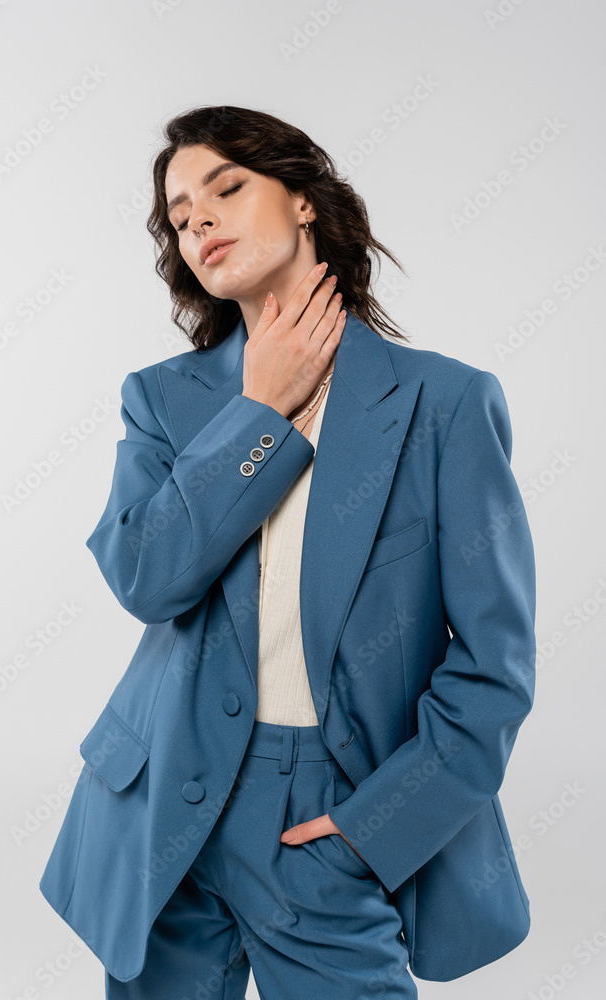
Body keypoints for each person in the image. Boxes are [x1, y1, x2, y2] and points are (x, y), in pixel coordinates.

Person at [39, 105, 537, 999]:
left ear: (303, 200)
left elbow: (494, 669)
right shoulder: (162, 399)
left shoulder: (444, 404)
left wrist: (371, 830)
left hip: (327, 811)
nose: (200, 221)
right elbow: (147, 578)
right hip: (160, 809)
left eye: (226, 188)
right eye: (180, 218)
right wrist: (258, 412)